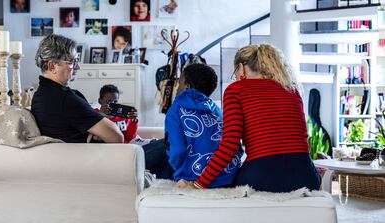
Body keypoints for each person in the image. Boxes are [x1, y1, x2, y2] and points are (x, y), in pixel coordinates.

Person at [177, 44, 321, 192]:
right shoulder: (292, 90)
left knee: (229, 181)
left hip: (262, 176)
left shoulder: (236, 90)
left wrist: (198, 184)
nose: (237, 78)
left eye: (235, 72)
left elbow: (230, 146)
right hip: (306, 177)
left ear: (241, 67)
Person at [32, 34, 170, 178]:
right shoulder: (65, 99)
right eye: (72, 61)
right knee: (170, 144)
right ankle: (163, 193)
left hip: (90, 159)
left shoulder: (39, 96)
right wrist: (96, 131)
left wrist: (95, 132)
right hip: (105, 164)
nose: (78, 66)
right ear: (52, 65)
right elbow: (117, 137)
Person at [166, 64, 243, 187]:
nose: (177, 86)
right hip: (228, 177)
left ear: (187, 86)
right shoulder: (218, 111)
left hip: (194, 178)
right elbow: (237, 147)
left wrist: (181, 171)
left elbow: (177, 151)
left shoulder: (176, 110)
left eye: (179, 82)